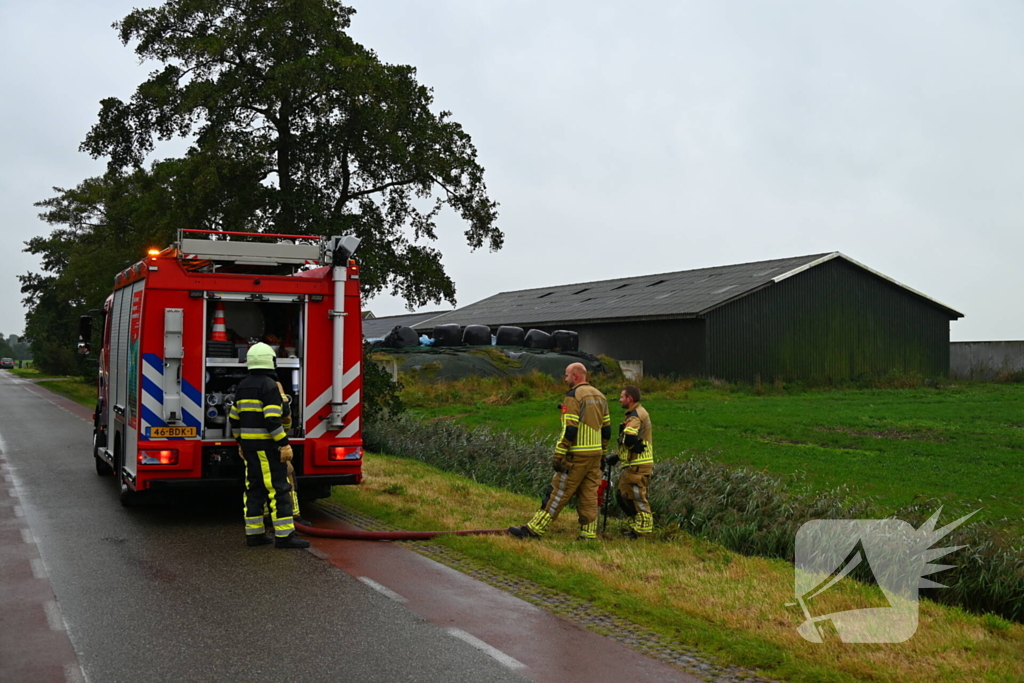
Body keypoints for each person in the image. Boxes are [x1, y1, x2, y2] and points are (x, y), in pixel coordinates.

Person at [509, 362, 611, 540]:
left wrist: (559, 453)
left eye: (566, 375)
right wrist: (602, 453)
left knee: (558, 492)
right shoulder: (601, 396)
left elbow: (570, 429)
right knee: (589, 495)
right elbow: (607, 430)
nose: (565, 378)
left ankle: (534, 530)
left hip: (576, 456)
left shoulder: (574, 396)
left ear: (576, 376)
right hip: (594, 456)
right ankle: (588, 534)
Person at [229, 342, 309, 549]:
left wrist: (240, 442)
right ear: (271, 361)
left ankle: (254, 534)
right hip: (267, 448)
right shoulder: (269, 386)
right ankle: (285, 536)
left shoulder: (243, 385)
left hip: (249, 449)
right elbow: (273, 419)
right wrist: (283, 444)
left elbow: (234, 419)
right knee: (278, 489)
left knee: (254, 489)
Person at [607, 385, 654, 539]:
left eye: (622, 397)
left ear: (630, 399)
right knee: (623, 495)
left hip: (638, 465)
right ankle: (636, 526)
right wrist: (618, 456)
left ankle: (643, 531)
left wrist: (631, 444)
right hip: (632, 464)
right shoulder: (634, 413)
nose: (619, 399)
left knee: (637, 497)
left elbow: (629, 437)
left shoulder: (635, 415)